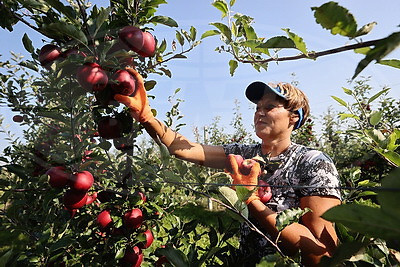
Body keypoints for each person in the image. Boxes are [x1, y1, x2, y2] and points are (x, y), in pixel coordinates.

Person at [114, 68, 342, 266]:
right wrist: (147, 117)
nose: (260, 112)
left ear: (294, 117)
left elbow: (321, 253)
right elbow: (184, 148)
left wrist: (251, 200)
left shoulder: (313, 163)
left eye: (270, 106)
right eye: (257, 107)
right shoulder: (244, 155)